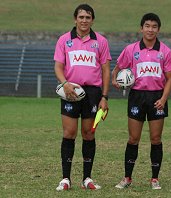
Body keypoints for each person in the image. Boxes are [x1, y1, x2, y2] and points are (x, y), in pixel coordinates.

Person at [111, 13, 171, 190]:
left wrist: (164, 99)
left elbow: (170, 78)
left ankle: (154, 179)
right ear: (141, 28)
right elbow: (117, 68)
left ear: (158, 29)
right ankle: (127, 178)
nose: (150, 29)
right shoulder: (131, 49)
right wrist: (114, 80)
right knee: (133, 139)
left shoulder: (165, 51)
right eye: (147, 26)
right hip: (137, 97)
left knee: (156, 139)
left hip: (157, 97)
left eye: (154, 26)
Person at [54, 4, 111, 191]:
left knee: (89, 133)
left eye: (88, 17)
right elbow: (58, 67)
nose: (84, 20)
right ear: (75, 19)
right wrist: (65, 84)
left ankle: (87, 178)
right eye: (81, 17)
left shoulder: (100, 41)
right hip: (70, 92)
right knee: (69, 133)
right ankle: (65, 179)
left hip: (93, 94)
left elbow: (105, 70)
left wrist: (104, 96)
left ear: (92, 20)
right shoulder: (64, 40)